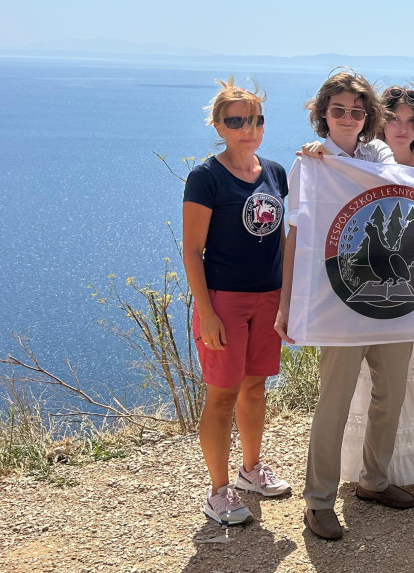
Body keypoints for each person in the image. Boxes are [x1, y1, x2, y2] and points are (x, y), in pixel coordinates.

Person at [276, 71, 414, 541]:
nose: (348, 118)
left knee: (390, 393)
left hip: (388, 302)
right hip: (336, 298)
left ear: (367, 117)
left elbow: (405, 184)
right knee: (333, 403)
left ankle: (373, 481)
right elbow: (295, 234)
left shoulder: (377, 154)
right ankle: (318, 502)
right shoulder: (309, 163)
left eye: (357, 111)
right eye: (338, 110)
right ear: (323, 114)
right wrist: (287, 303)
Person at [183, 78, 292, 527]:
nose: (248, 128)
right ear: (218, 126)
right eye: (236, 121)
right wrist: (206, 312)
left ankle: (251, 470)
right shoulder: (206, 177)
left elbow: (283, 240)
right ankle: (218, 490)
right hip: (225, 301)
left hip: (268, 299)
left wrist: (287, 300)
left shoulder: (275, 172)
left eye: (255, 119)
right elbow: (192, 250)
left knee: (255, 386)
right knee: (222, 396)